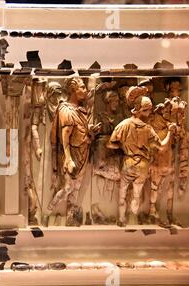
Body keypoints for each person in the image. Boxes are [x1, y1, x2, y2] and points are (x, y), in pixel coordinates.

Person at [108, 86, 176, 227]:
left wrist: (124, 147)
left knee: (122, 194)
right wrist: (170, 132)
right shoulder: (148, 129)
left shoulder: (124, 124)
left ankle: (121, 219)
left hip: (128, 162)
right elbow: (162, 147)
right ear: (142, 110)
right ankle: (132, 219)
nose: (150, 112)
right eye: (148, 110)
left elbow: (111, 144)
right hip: (143, 166)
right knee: (136, 195)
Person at [45, 77, 101, 227]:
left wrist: (90, 132)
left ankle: (70, 217)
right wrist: (68, 158)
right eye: (82, 88)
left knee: (76, 188)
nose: (85, 90)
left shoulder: (81, 110)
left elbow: (80, 132)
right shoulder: (67, 110)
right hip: (72, 154)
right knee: (68, 187)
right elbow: (65, 136)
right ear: (73, 90)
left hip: (83, 151)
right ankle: (48, 211)